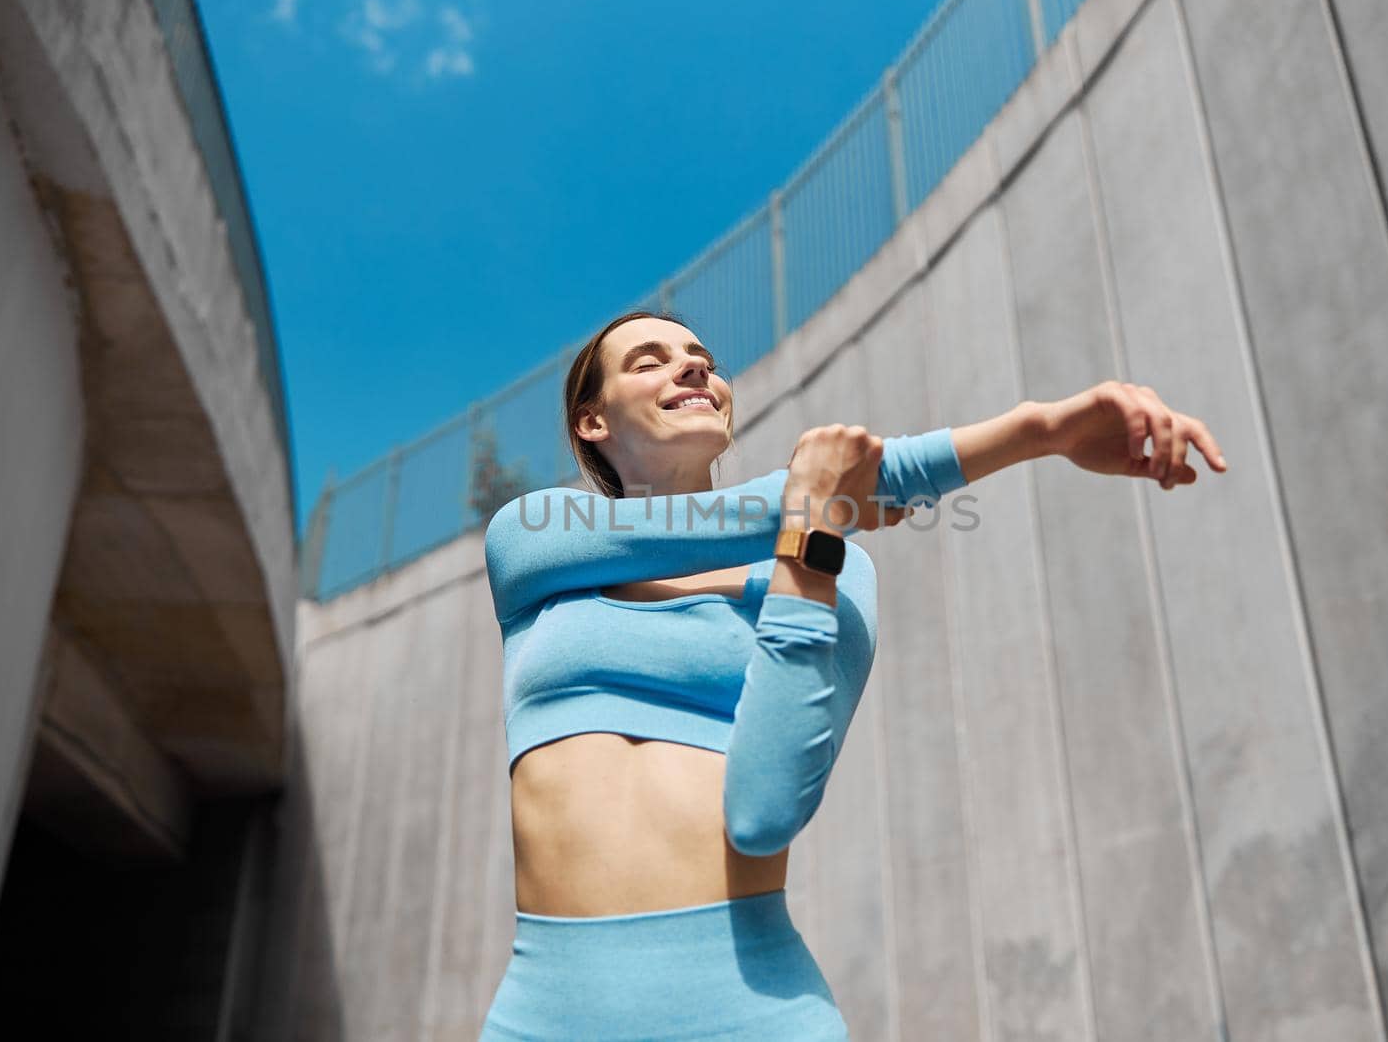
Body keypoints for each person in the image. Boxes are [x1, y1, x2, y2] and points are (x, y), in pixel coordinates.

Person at [477, 311, 1227, 1040]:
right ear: (592, 422)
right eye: (649, 359)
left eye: (701, 353)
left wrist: (811, 542)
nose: (693, 364)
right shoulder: (535, 544)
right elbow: (794, 499)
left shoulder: (834, 567)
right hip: (545, 1012)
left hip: (752, 1009)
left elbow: (764, 812)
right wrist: (1036, 430)